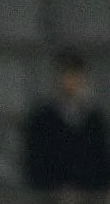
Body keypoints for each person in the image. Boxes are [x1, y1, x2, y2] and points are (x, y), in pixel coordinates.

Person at [23, 51, 110, 196]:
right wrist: (57, 189)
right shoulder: (42, 119)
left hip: (89, 200)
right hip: (50, 203)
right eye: (67, 74)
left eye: (75, 75)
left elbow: (100, 160)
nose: (71, 81)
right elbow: (35, 162)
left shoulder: (94, 120)